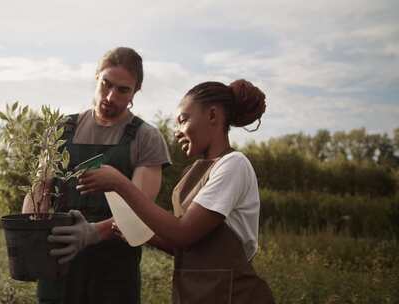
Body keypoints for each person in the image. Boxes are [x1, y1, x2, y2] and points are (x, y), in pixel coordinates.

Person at [74, 80, 275, 303]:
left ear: (212, 115)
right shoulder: (192, 173)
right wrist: (142, 233)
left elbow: (182, 233)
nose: (177, 132)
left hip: (233, 295)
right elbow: (186, 246)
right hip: (196, 294)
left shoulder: (233, 164)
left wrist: (120, 183)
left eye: (183, 120)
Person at [23, 47, 171, 304]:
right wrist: (29, 234)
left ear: (135, 92)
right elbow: (39, 192)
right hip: (59, 267)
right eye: (106, 84)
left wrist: (92, 233)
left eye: (123, 90)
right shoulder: (60, 130)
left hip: (113, 275)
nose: (110, 96)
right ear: (96, 78)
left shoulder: (145, 138)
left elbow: (138, 212)